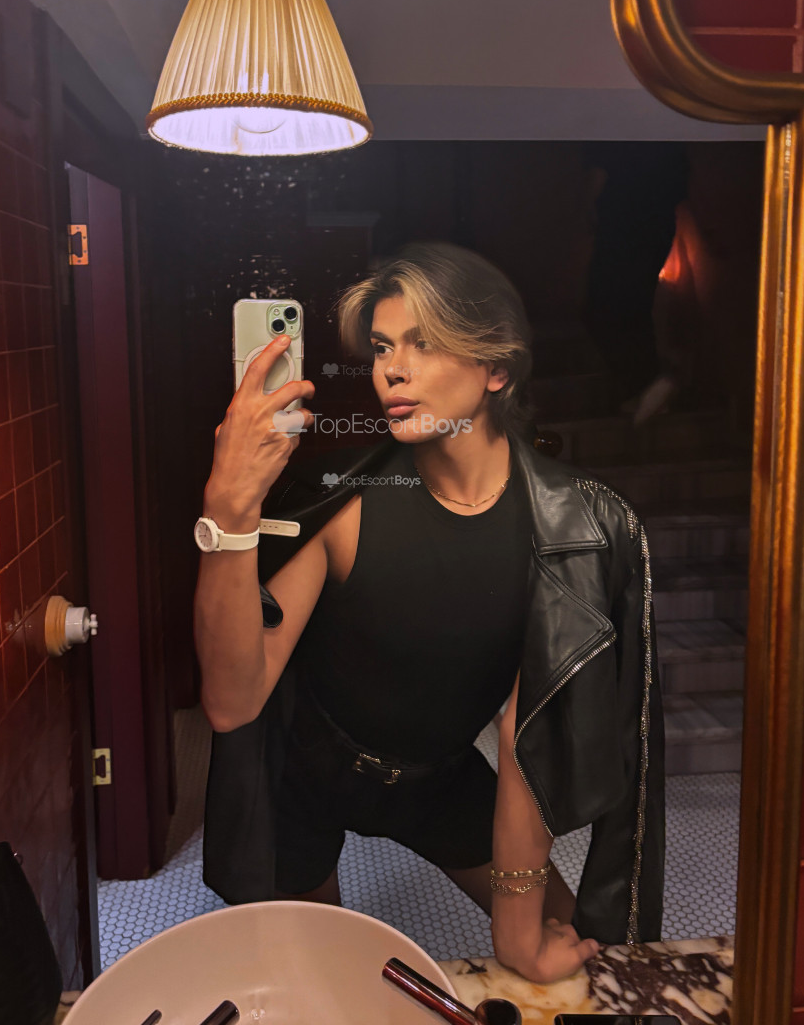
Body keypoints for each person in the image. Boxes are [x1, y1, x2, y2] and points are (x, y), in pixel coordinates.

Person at [195, 242, 664, 984]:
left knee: (574, 951)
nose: (392, 370)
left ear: (496, 370)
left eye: (425, 343)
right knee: (314, 986)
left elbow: (525, 737)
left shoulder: (563, 529)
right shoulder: (344, 504)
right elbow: (232, 702)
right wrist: (229, 511)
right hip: (306, 771)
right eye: (383, 347)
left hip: (440, 777)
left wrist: (516, 932)